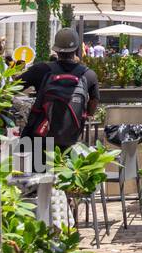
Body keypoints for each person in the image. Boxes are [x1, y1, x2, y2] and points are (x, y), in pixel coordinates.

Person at [19, 28, 100, 160]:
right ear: (77, 49)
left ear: (55, 50)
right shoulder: (89, 74)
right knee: (65, 177)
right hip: (70, 141)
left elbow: (13, 87)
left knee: (27, 176)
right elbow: (92, 107)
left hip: (39, 139)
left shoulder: (40, 69)